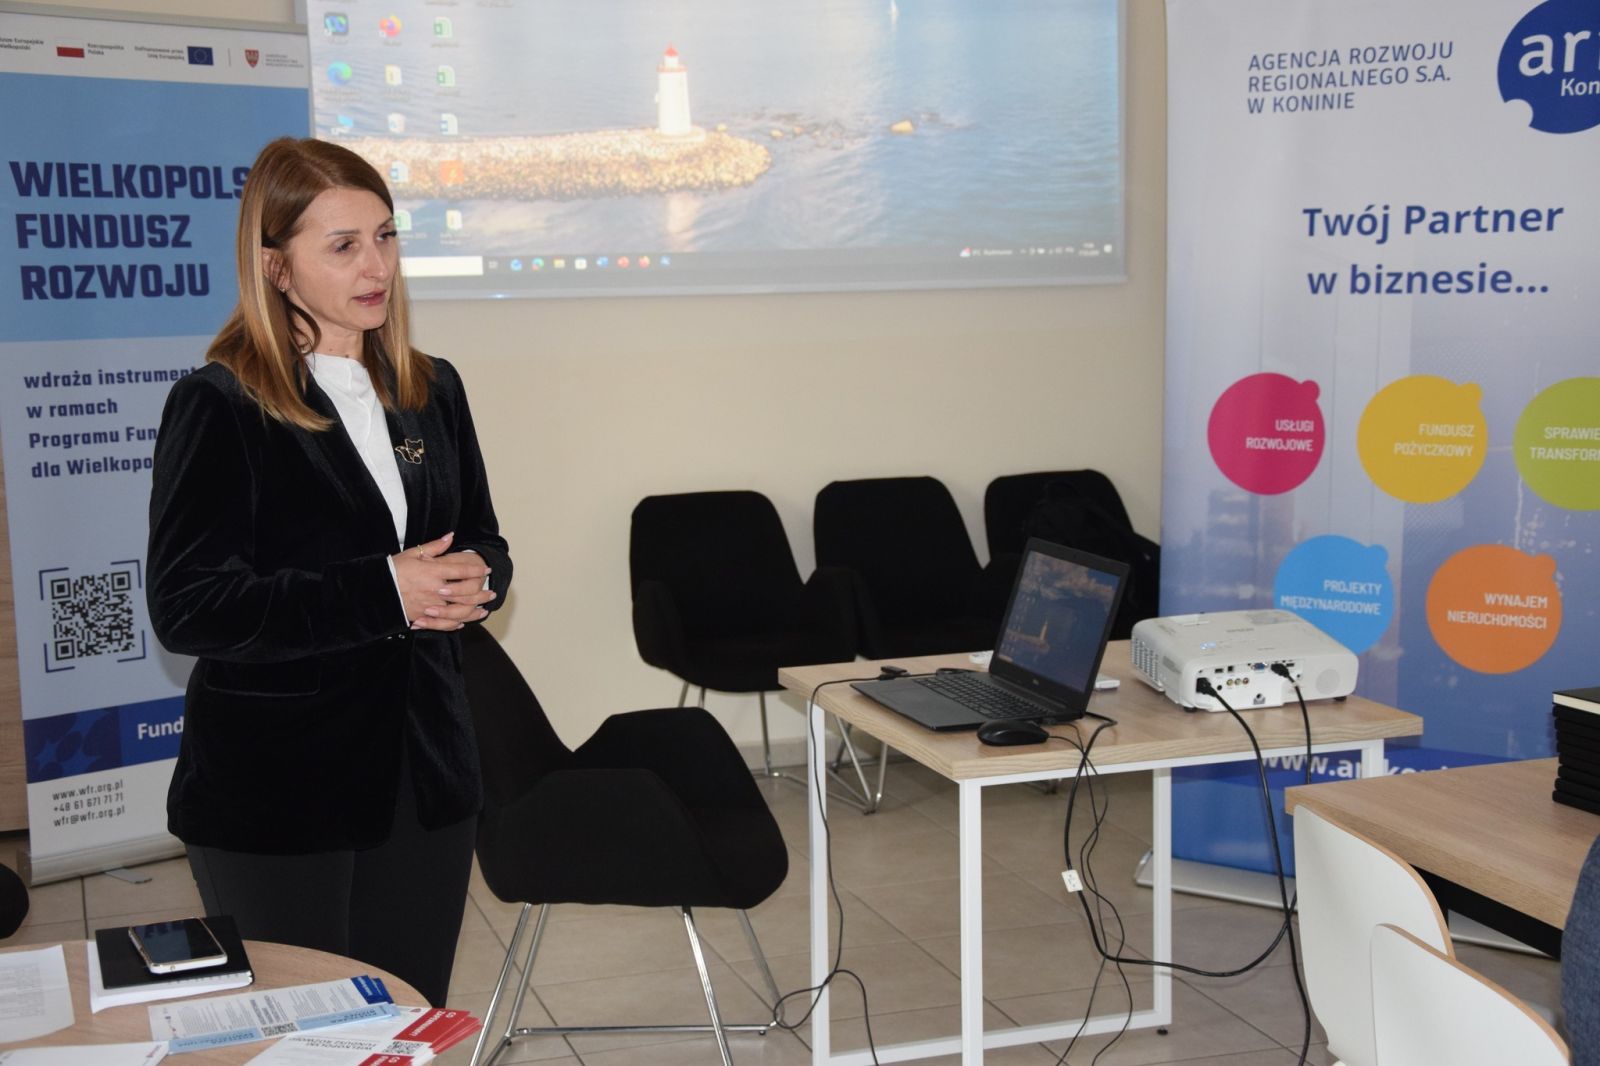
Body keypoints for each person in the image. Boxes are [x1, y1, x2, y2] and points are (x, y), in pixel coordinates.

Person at [146, 137, 511, 1007]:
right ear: (275, 266)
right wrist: (383, 590)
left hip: (424, 780)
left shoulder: (432, 387)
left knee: (404, 1027)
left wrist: (477, 577)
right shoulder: (220, 403)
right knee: (305, 1039)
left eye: (385, 237)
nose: (376, 266)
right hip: (279, 793)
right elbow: (189, 606)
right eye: (343, 245)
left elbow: (481, 537)